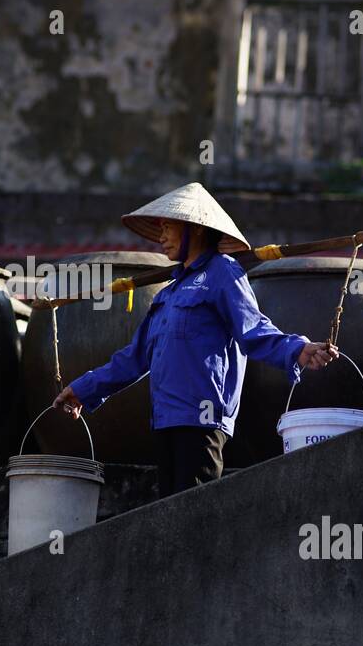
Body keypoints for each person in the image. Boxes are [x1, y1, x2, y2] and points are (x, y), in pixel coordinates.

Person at [52, 182, 338, 498]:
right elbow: (134, 358)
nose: (161, 237)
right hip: (165, 420)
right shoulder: (168, 294)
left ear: (196, 230)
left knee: (194, 516)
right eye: (160, 228)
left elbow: (253, 329)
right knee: (170, 516)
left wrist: (297, 348)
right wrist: (83, 389)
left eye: (168, 227)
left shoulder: (223, 273)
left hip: (202, 420)